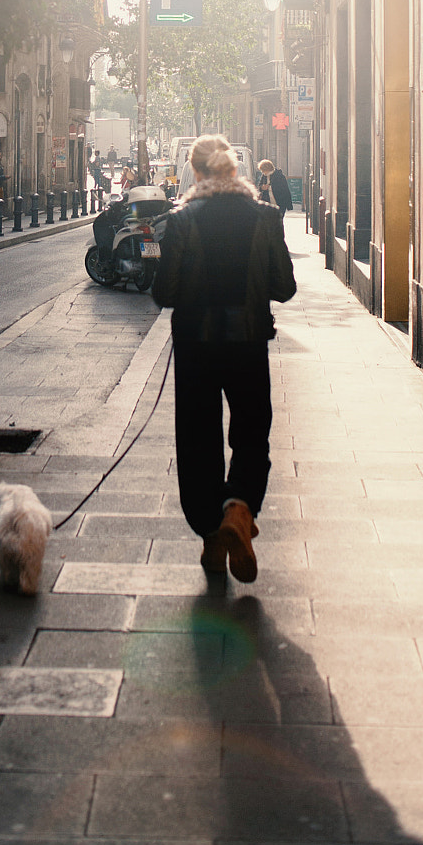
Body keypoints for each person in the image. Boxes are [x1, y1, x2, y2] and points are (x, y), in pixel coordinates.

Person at [152, 135, 296, 583]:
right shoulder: (266, 217)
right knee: (252, 434)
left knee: (198, 442)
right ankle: (238, 510)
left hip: (196, 346)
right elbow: (284, 287)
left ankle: (212, 538)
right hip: (248, 342)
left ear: (195, 172)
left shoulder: (181, 220)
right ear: (235, 170)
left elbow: (164, 293)